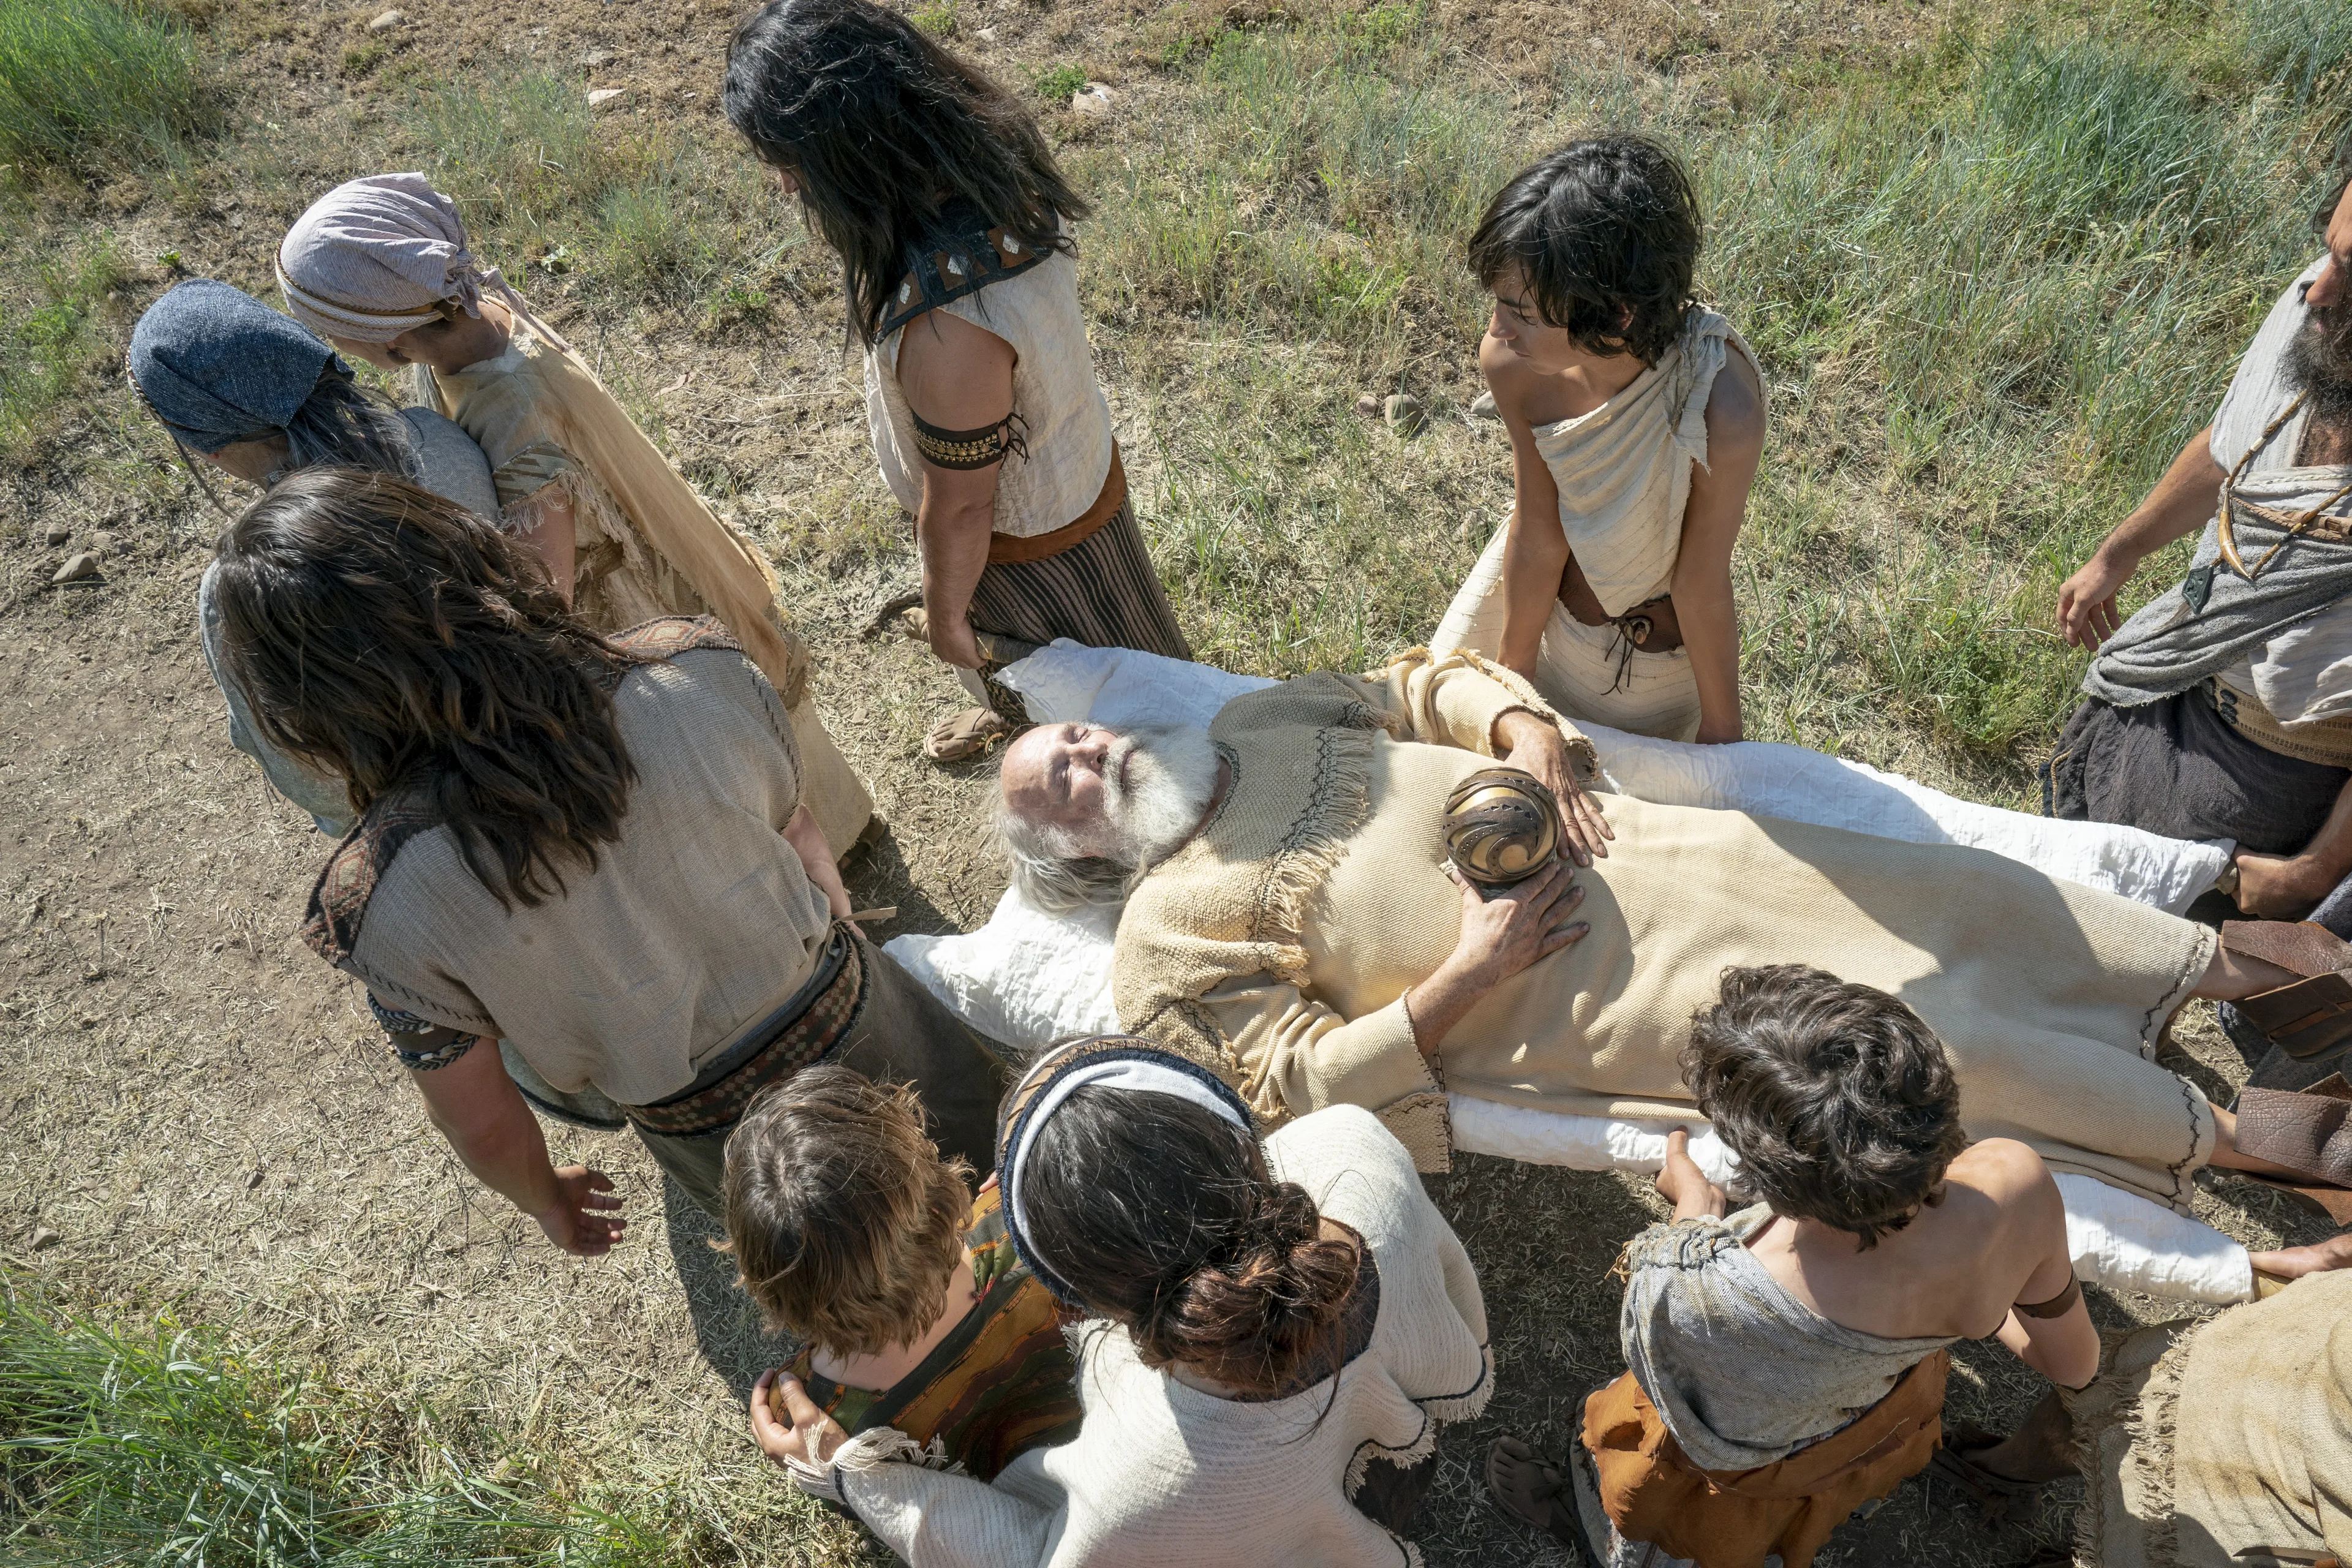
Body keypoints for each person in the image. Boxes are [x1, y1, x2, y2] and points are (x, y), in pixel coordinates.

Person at [987, 646, 2352, 1270]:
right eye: (1059, 778)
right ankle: (2247, 1134)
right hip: (1602, 991)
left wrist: (1525, 738)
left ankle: (2233, 964)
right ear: (1076, 857)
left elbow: (1423, 681)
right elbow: (1290, 1086)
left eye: (1077, 736)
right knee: (1919, 1038)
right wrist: (1467, 966)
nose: (1090, 748)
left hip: (1660, 854)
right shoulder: (1164, 947)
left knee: (1952, 890)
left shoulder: (1260, 720)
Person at [209, 468, 1010, 1248]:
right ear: (465, 555)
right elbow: (797, 836)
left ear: (302, 708)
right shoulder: (695, 667)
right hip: (863, 1015)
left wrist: (547, 1197)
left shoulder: (379, 907)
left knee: (859, 1278)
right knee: (1002, 1173)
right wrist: (835, 927)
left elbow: (479, 1119)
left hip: (718, 1133)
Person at [271, 173, 875, 860]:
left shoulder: (505, 407)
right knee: (759, 714)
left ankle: (810, 867)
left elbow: (548, 585)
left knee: (715, 737)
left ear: (383, 336)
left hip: (633, 591)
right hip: (666, 529)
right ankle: (842, 833)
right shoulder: (487, 307)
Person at [749, 1035, 1491, 1565]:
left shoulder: (1134, 1479)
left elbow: (1028, 1555)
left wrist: (856, 1476)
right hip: (1391, 1455)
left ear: (1085, 1301)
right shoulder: (1347, 1141)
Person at [1485, 966, 2098, 1568]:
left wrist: (1696, 1212)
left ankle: (1590, 1522)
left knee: (1666, 1504)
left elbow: (1671, 1389)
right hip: (1864, 1430)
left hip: (1744, 1466)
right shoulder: (2017, 1181)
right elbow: (2073, 1362)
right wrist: (1978, 1298)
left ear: (1769, 1178)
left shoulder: (1691, 1289)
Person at [722, 0, 1191, 764]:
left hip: (1030, 547)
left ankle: (1101, 764)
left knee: (1099, 699)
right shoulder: (986, 158)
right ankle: (1026, 721)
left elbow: (967, 505)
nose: (782, 185)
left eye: (788, 161)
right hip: (1076, 473)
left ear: (849, 149)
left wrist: (945, 616)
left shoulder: (951, 332)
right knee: (1110, 664)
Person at [2048, 144, 2352, 941]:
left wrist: (2315, 871)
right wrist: (2121, 550)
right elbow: (2232, 442)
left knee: (2134, 958)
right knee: (2071, 893)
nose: (2318, 290)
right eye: (2332, 250)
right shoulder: (2316, 312)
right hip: (2173, 679)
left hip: (2269, 776)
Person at [127, 277, 497, 835]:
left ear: (205, 445)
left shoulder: (237, 589)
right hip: (545, 745)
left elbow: (311, 779)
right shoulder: (437, 440)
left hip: (425, 841)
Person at [1431, 137, 1766, 745]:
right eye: (1499, 305)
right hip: (1551, 629)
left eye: (1524, 313)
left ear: (1616, 316)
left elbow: (1699, 579)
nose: (1498, 331)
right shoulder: (1515, 367)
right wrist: (1515, 688)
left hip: (1652, 676)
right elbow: (1538, 528)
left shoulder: (1719, 408)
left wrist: (1723, 739)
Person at [725, 1065, 1081, 1482]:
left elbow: (874, 1503)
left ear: (772, 1282)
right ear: (934, 1199)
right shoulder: (1038, 1216)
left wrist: (831, 1474)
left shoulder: (813, 1426)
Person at [1985, 1270, 2352, 1567]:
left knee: (2127, 1401)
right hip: (2300, 1354)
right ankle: (1997, 1471)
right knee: (2120, 1401)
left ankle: (2000, 1474)